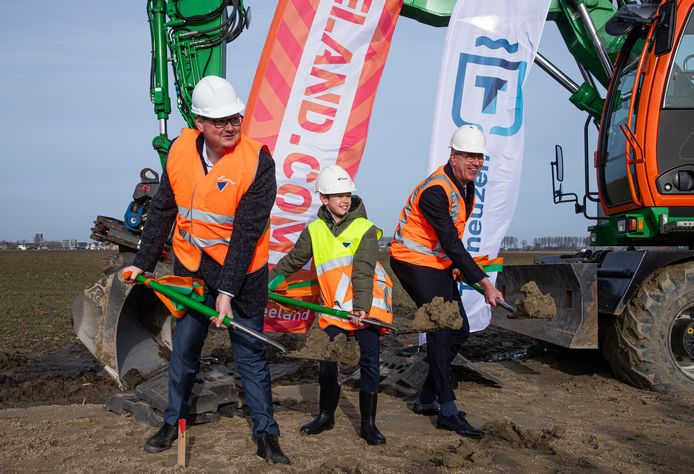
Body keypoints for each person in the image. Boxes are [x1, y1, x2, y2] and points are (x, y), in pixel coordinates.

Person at [122, 75, 289, 464]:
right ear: (200, 123)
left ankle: (267, 434)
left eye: (235, 118)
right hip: (193, 268)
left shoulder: (258, 162)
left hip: (243, 274)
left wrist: (228, 293)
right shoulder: (180, 150)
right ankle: (171, 421)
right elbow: (164, 209)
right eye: (220, 121)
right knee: (184, 350)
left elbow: (247, 234)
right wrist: (141, 264)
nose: (230, 127)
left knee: (250, 355)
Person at [389, 124, 503, 439]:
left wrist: (455, 268)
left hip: (437, 263)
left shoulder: (467, 187)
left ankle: (426, 397)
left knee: (461, 329)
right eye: (469, 156)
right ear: (453, 156)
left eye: (479, 157)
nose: (475, 162)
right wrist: (484, 284)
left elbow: (452, 243)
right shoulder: (435, 191)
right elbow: (452, 243)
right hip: (412, 263)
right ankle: (447, 411)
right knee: (441, 331)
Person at [268, 165, 393, 445]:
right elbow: (292, 261)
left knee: (370, 362)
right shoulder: (314, 230)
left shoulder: (366, 229)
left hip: (364, 308)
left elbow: (362, 269)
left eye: (347, 194)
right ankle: (326, 416)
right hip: (332, 309)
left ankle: (368, 424)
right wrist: (269, 282)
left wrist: (361, 307)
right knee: (327, 363)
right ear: (324, 199)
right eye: (337, 195)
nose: (344, 200)